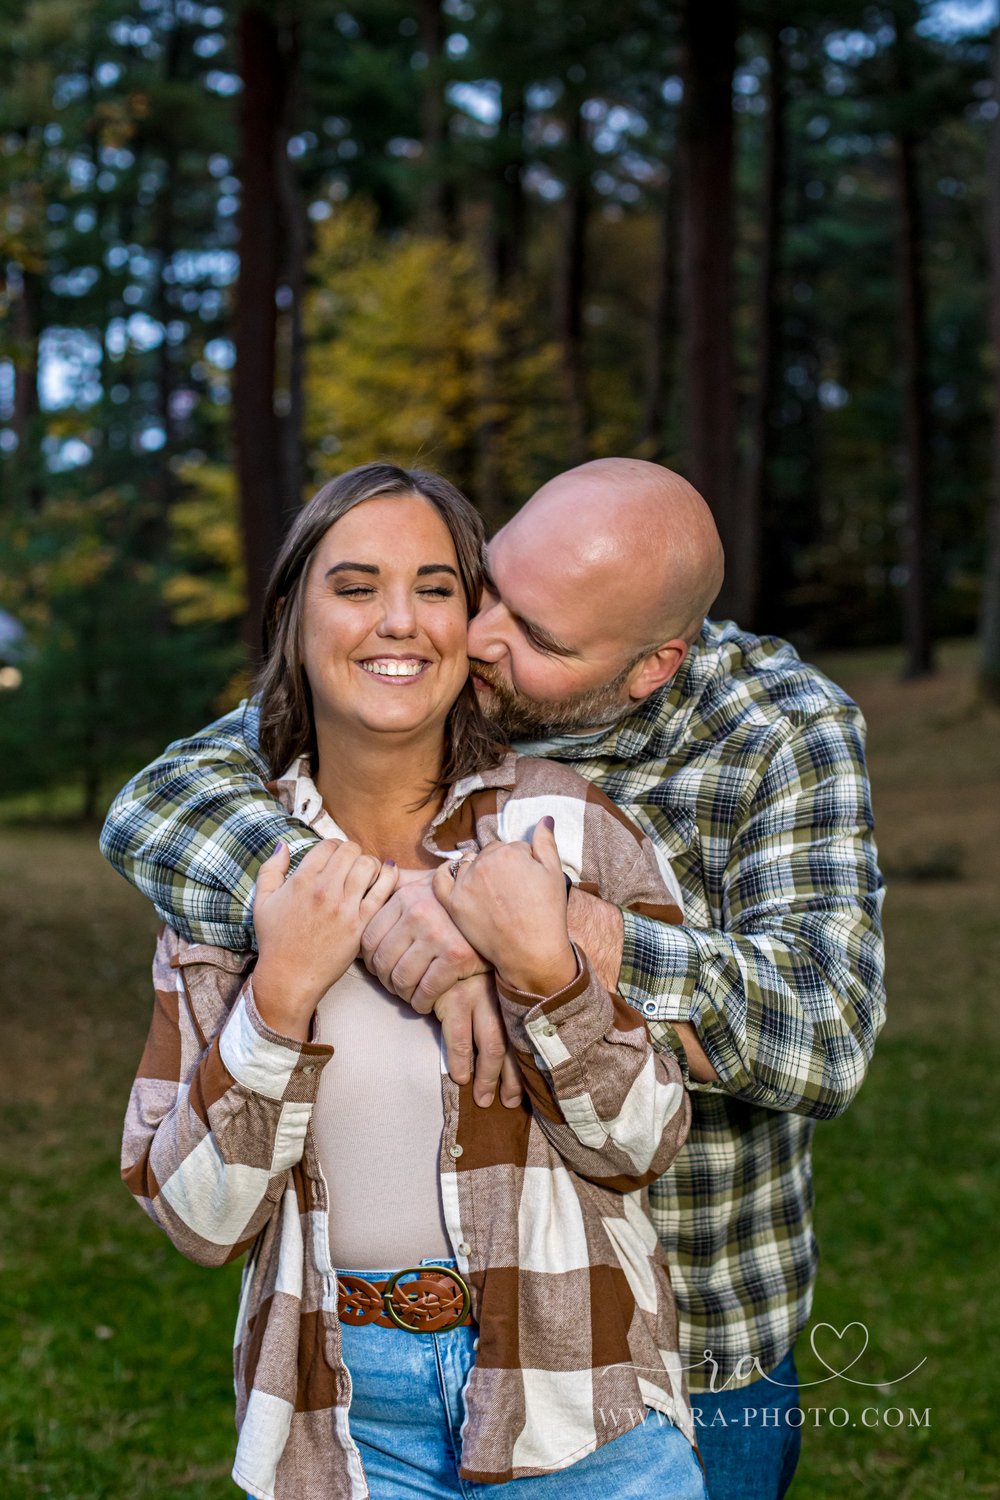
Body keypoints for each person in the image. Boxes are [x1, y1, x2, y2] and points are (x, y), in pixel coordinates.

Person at [103, 457, 886, 1500]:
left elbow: (822, 1031)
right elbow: (162, 802)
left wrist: (558, 942)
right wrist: (400, 932)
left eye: (541, 639)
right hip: (379, 1366)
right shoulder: (420, 676)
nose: (477, 640)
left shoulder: (772, 729)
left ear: (651, 666)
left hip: (696, 1325)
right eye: (489, 588)